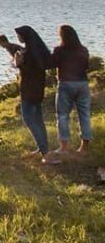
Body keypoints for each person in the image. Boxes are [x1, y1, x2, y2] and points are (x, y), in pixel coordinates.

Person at [13, 25, 59, 165]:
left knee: (28, 119)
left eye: (19, 35)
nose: (18, 38)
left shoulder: (28, 53)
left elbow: (28, 71)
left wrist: (18, 63)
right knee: (38, 119)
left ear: (25, 36)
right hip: (38, 88)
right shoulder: (39, 51)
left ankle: (45, 153)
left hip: (28, 89)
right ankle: (42, 148)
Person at [51, 24, 93, 155]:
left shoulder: (59, 50)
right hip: (82, 84)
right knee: (84, 114)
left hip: (66, 84)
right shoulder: (83, 49)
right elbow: (86, 66)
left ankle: (64, 147)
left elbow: (52, 63)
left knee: (63, 115)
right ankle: (84, 147)